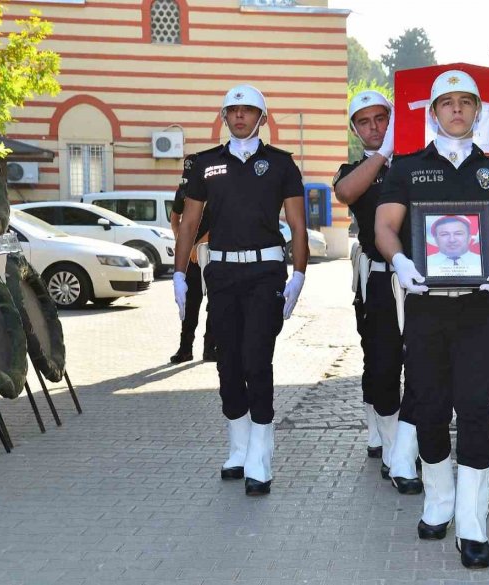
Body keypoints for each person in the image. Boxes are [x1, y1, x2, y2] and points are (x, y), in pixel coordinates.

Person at [375, 70, 489, 569]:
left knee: (476, 409)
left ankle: (472, 520)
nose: (457, 109)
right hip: (426, 307)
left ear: (477, 112)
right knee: (433, 408)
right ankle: (438, 499)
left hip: (481, 308)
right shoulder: (407, 168)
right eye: (447, 102)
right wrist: (398, 261)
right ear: (432, 112)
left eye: (466, 102)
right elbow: (386, 226)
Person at [173, 84, 308, 496]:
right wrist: (179, 274)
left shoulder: (282, 165)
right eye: (232, 111)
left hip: (266, 273)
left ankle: (261, 457)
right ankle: (238, 446)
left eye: (248, 111)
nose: (239, 117)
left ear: (262, 118)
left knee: (256, 360)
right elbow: (189, 223)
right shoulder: (205, 164)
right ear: (223, 117)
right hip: (222, 276)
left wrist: (299, 274)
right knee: (227, 362)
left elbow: (298, 225)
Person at [333, 90, 422, 495]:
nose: (374, 127)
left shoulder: (416, 164)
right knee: (383, 366)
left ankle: (407, 448)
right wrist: (382, 155)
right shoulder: (355, 168)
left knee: (421, 367)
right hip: (379, 279)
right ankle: (389, 445)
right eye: (365, 122)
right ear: (355, 130)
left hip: (419, 280)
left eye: (381, 119)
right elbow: (346, 193)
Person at [169, 152, 217, 364]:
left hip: (212, 253)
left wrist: (198, 245)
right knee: (191, 304)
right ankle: (185, 349)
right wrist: (182, 240)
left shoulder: (214, 189)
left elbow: (220, 223)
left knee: (215, 304)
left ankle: (210, 349)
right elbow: (174, 217)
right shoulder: (183, 190)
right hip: (191, 258)